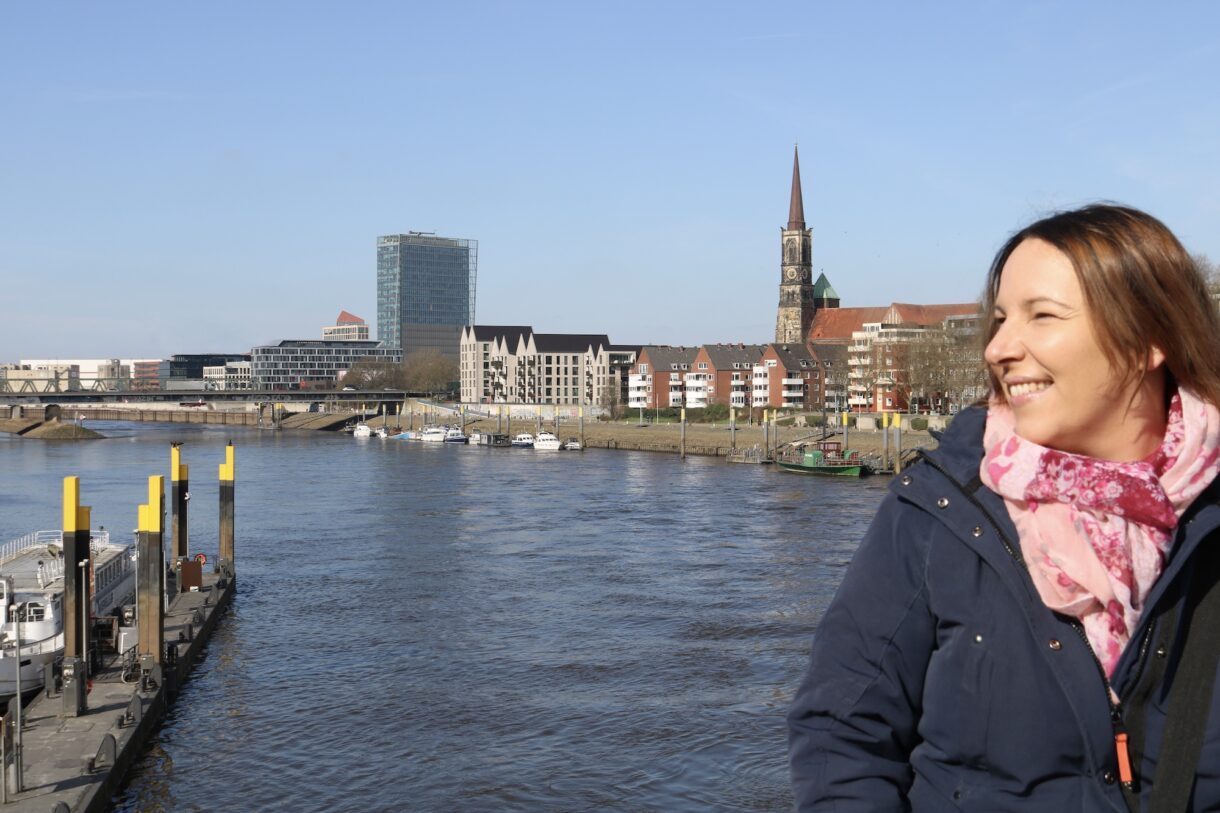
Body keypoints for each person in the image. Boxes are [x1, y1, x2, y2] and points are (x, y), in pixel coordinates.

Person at [787, 204, 1220, 811]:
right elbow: (842, 734)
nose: (997, 348)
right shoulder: (939, 510)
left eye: (1041, 316)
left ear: (1149, 339)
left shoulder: (1208, 521)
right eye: (999, 320)